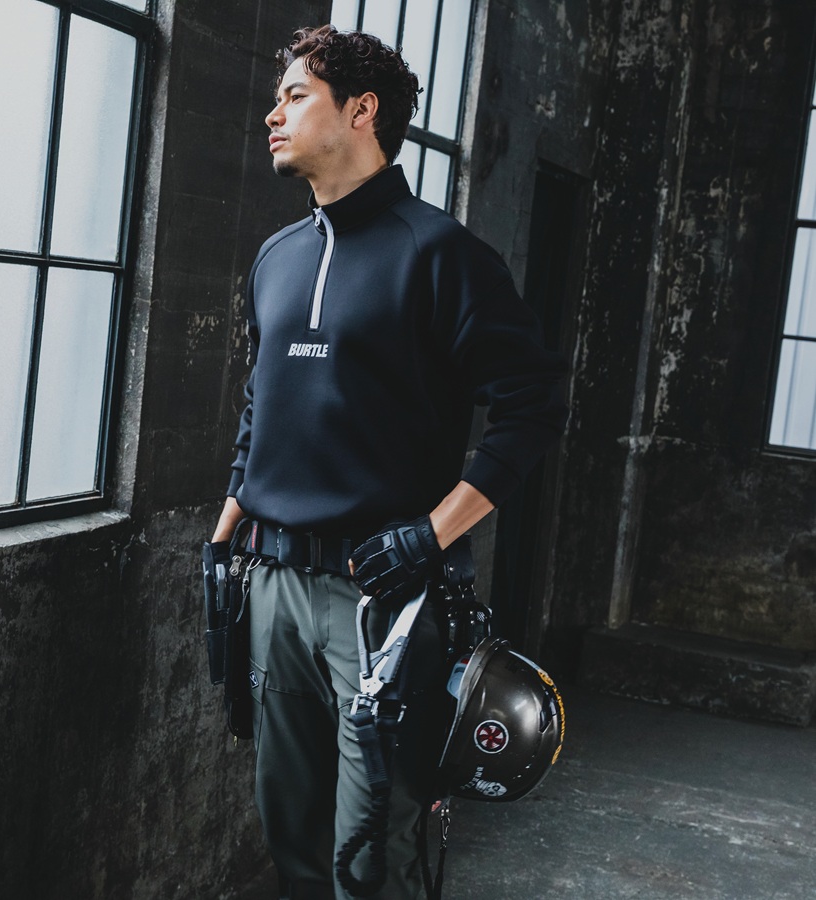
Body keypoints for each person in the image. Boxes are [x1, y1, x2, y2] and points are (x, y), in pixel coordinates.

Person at [210, 24, 568, 899]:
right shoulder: (276, 257)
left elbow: (533, 409)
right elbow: (262, 400)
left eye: (295, 96)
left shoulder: (442, 255)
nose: (273, 114)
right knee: (291, 835)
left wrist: (430, 536)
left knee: (373, 855)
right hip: (272, 586)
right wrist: (229, 522)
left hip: (383, 598)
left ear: (361, 111)